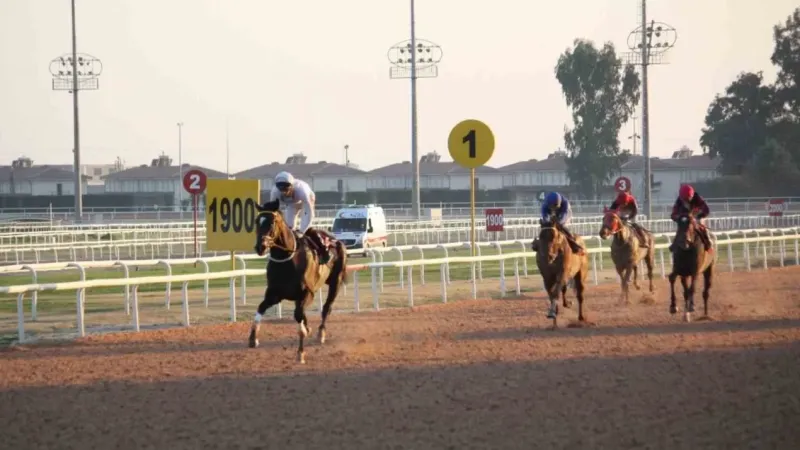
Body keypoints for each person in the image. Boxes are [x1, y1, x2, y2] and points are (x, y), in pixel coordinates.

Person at [267, 171, 331, 264]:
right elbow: (273, 211)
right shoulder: (275, 192)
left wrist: (302, 231)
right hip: (292, 204)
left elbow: (309, 213)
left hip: (306, 201)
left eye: (286, 189)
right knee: (289, 228)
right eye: (281, 189)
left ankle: (324, 251)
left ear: (292, 186)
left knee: (306, 228)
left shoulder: (302, 191)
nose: (284, 192)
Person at [669, 184, 712, 253]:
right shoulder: (679, 200)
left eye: (687, 199)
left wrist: (698, 216)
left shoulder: (697, 198)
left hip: (697, 216)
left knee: (701, 226)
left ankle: (708, 243)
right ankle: (674, 244)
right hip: (685, 217)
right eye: (684, 199)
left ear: (692, 196)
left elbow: (706, 210)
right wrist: (678, 217)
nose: (686, 201)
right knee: (681, 228)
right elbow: (673, 214)